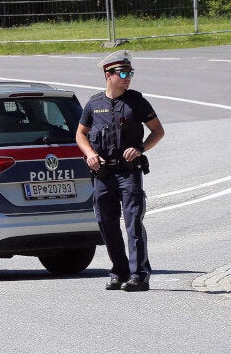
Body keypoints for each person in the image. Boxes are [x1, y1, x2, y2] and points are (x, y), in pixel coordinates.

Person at [76, 50, 164, 292]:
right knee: (106, 222)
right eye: (123, 73)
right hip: (103, 174)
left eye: (130, 73)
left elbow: (158, 131)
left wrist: (141, 148)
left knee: (134, 222)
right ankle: (119, 271)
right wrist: (90, 154)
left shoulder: (137, 101)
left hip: (129, 173)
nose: (128, 78)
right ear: (108, 75)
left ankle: (139, 275)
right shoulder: (94, 104)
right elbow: (80, 133)